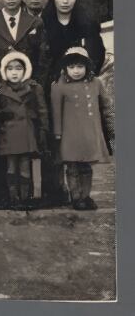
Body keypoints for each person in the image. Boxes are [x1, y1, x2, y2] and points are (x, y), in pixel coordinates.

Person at [50, 47, 114, 210]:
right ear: (65, 68)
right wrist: (58, 133)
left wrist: (110, 128)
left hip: (89, 134)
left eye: (80, 66)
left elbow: (106, 105)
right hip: (70, 136)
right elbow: (56, 111)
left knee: (86, 167)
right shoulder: (59, 85)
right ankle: (76, 198)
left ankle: (86, 196)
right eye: (71, 67)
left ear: (87, 66)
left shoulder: (96, 83)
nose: (76, 71)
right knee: (72, 168)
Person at [0, 51, 49, 210]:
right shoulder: (1, 90)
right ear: (5, 71)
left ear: (25, 70)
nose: (14, 72)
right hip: (8, 133)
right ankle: (13, 198)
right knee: (10, 166)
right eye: (10, 69)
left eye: (18, 68)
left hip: (26, 132)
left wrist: (43, 130)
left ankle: (25, 198)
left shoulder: (34, 88)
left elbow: (42, 110)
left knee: (25, 165)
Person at [43, 0, 105, 81]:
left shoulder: (88, 25)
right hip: (52, 83)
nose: (65, 1)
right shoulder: (43, 24)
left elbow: (97, 55)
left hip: (82, 82)